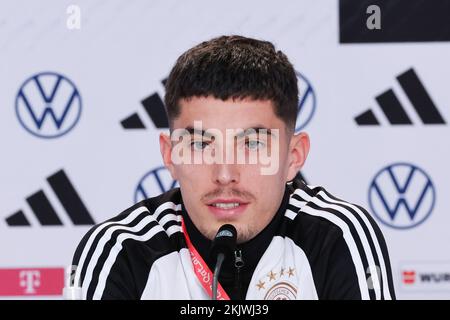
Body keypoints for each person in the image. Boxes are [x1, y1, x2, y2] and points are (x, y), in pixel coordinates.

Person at [70, 35, 395, 300]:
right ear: (170, 156)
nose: (225, 175)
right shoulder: (122, 250)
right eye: (200, 145)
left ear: (293, 156)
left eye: (252, 145)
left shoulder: (336, 236)